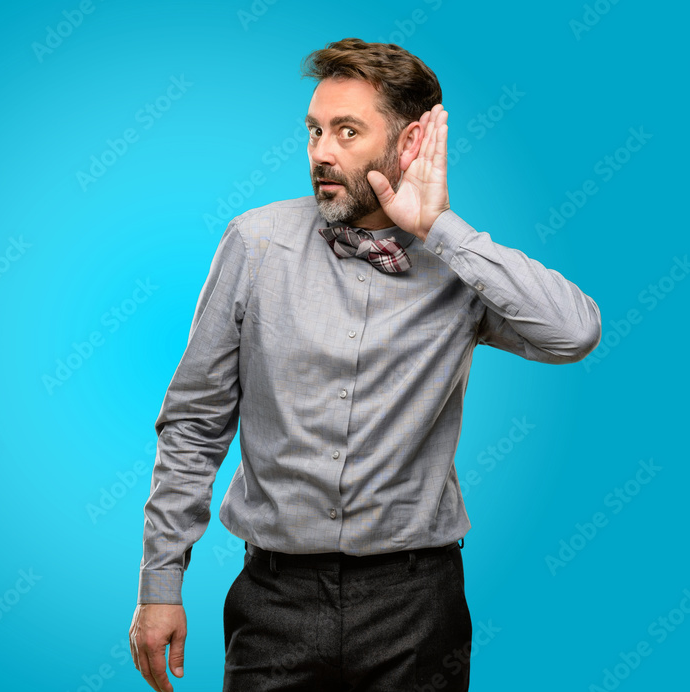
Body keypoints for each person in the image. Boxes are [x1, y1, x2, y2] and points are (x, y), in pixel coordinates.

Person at [129, 38, 601, 691]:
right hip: (273, 601)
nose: (321, 151)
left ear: (409, 143)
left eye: (347, 132)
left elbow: (574, 334)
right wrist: (161, 583)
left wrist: (442, 229)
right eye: (315, 131)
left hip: (416, 604)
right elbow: (194, 424)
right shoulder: (254, 243)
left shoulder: (461, 269)